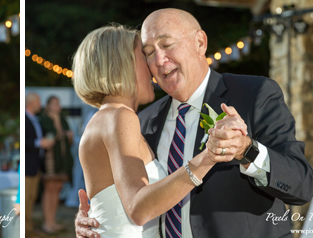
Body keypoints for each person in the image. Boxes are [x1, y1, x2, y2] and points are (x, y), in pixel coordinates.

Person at [75, 9, 313, 238]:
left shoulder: (255, 95)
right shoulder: (143, 121)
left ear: (200, 43)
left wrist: (246, 150)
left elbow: (302, 186)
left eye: (167, 44)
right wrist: (97, 220)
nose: (158, 60)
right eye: (147, 52)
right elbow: (133, 199)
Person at [70, 24, 238, 238]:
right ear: (123, 64)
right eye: (145, 55)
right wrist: (209, 156)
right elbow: (139, 209)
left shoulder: (106, 119)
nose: (154, 65)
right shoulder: (120, 117)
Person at [38, 95, 74, 233]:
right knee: (49, 188)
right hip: (50, 160)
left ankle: (52, 221)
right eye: (53, 103)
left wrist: (69, 136)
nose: (56, 106)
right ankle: (46, 222)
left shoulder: (63, 119)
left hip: (62, 160)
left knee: (57, 188)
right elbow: (50, 135)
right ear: (48, 106)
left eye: (57, 103)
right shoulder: (45, 119)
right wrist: (59, 131)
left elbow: (67, 139)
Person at [24, 92, 55, 235]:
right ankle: (24, 229)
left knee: (31, 197)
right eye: (38, 101)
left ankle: (28, 227)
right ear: (31, 103)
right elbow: (24, 142)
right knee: (25, 197)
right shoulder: (24, 118)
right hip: (27, 165)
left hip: (36, 165)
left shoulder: (35, 119)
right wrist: (39, 143)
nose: (40, 104)